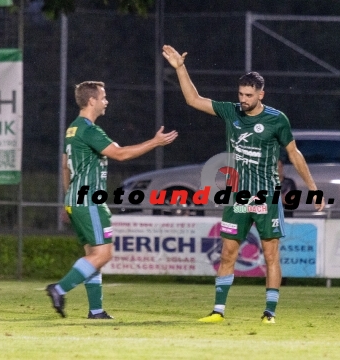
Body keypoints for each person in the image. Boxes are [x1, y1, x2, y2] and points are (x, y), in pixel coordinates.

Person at [162, 45, 324, 324]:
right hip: (238, 197)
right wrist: (180, 68)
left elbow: (294, 154)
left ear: (262, 94)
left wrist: (313, 187)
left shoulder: (276, 119)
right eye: (241, 94)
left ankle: (269, 313)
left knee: (270, 254)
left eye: (249, 95)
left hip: (266, 197)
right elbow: (193, 99)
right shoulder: (231, 112)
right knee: (227, 252)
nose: (244, 100)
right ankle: (217, 311)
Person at [46, 81, 178, 319]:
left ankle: (96, 310)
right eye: (103, 97)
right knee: (103, 255)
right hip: (88, 200)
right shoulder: (88, 130)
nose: (106, 101)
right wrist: (155, 142)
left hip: (77, 198)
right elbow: (120, 154)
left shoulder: (73, 129)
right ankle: (59, 288)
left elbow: (65, 165)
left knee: (93, 254)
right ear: (91, 101)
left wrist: (68, 199)